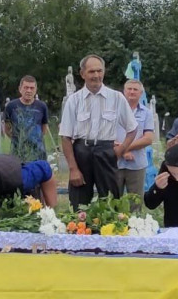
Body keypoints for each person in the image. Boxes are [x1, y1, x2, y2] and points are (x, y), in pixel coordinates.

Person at [59, 54, 138, 206]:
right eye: (91, 72)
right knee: (79, 204)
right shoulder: (74, 100)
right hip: (81, 152)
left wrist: (120, 150)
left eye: (99, 71)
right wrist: (73, 168)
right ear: (82, 74)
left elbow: (132, 128)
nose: (96, 75)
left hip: (106, 152)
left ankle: (110, 229)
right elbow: (65, 137)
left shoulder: (117, 98)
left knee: (110, 202)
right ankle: (80, 229)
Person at [116, 78, 155, 199]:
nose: (132, 92)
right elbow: (104, 134)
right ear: (124, 91)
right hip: (114, 163)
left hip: (136, 164)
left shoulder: (147, 113)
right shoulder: (113, 110)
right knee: (112, 202)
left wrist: (124, 148)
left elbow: (148, 139)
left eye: (135, 89)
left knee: (135, 202)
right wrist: (123, 150)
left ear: (141, 93)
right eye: (129, 89)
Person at [4, 76, 49, 160]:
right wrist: (19, 139)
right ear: (20, 89)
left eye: (32, 88)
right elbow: (7, 129)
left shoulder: (42, 106)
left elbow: (44, 129)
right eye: (26, 87)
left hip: (38, 153)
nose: (29, 91)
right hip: (17, 153)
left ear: (35, 90)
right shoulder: (11, 106)